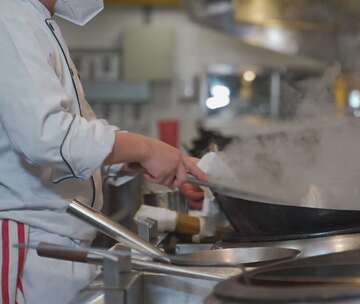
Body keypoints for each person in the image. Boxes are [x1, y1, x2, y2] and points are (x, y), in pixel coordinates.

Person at [0, 0, 207, 303]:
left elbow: (78, 130)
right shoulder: (9, 16)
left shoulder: (37, 21)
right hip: (30, 241)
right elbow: (47, 136)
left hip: (57, 243)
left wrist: (138, 160)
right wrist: (145, 148)